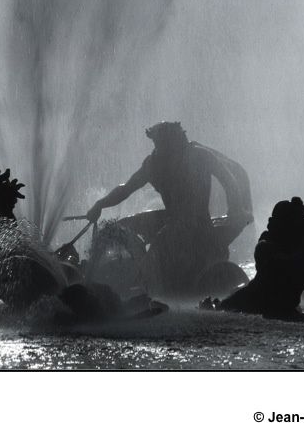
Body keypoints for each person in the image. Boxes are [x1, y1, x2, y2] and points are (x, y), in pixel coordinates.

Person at [86, 121, 252, 295]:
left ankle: (148, 288)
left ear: (177, 141)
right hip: (171, 220)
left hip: (198, 224)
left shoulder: (199, 156)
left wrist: (236, 209)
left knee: (158, 249)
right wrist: (100, 204)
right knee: (120, 226)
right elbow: (126, 189)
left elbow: (228, 179)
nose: (159, 149)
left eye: (164, 144)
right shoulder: (153, 164)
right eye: (157, 144)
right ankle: (105, 276)